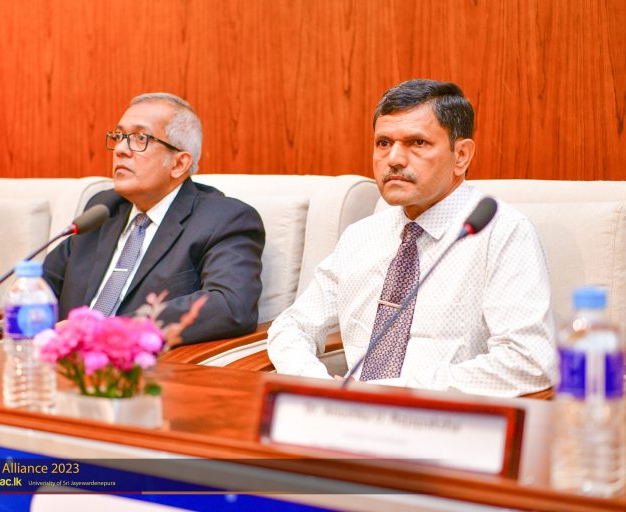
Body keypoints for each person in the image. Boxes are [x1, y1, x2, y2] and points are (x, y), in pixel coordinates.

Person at [267, 79, 555, 397]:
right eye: (383, 143)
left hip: (446, 417)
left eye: (417, 143)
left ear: (461, 155)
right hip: (345, 412)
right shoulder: (362, 236)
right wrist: (313, 381)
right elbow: (292, 326)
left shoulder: (502, 233)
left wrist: (391, 392)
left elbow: (529, 361)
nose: (394, 159)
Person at [43, 93, 265, 345]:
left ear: (179, 164)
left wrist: (105, 330)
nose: (120, 149)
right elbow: (42, 286)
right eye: (119, 136)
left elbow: (230, 305)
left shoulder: (224, 219)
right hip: (62, 358)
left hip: (143, 363)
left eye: (140, 138)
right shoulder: (103, 209)